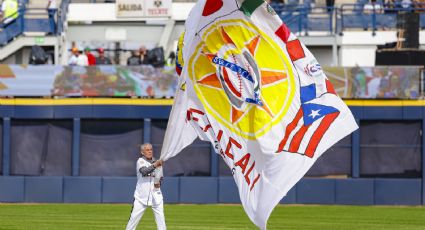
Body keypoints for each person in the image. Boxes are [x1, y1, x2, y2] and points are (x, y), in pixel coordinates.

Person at [126, 143, 166, 230]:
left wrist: (159, 182)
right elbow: (144, 171)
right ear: (142, 152)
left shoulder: (157, 162)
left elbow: (161, 177)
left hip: (156, 196)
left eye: (151, 149)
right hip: (141, 197)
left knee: (161, 221)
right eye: (147, 150)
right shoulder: (140, 161)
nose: (150, 151)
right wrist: (156, 165)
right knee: (133, 220)